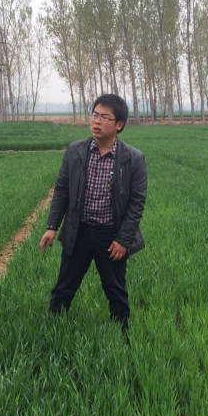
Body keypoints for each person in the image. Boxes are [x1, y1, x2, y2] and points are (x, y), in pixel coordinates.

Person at [39, 94, 147, 330]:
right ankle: (52, 331)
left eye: (104, 117)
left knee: (115, 290)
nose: (97, 121)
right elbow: (62, 190)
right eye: (95, 115)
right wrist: (51, 227)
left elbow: (136, 203)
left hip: (111, 237)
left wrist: (123, 240)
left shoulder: (133, 159)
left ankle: (122, 335)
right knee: (64, 287)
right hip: (79, 232)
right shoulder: (75, 151)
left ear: (119, 125)